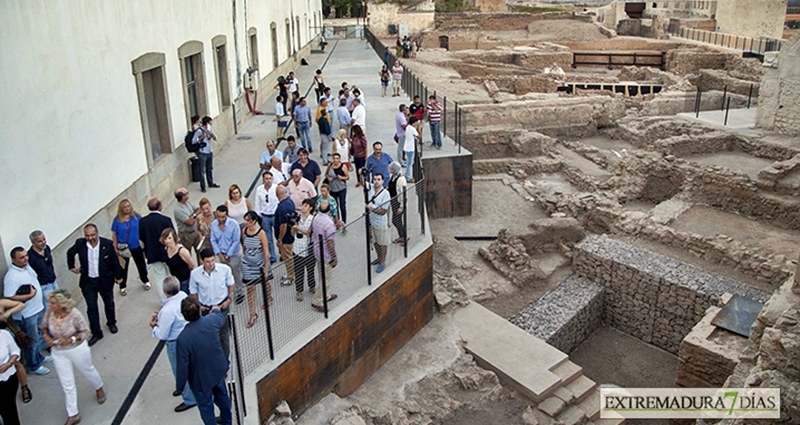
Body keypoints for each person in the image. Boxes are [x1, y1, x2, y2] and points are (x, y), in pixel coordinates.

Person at [42, 289, 105, 425]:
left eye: (53, 303)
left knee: (87, 370)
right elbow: (44, 327)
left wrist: (71, 339)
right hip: (58, 351)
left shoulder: (74, 314)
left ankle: (99, 387)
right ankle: (73, 414)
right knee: (67, 383)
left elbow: (85, 332)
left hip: (77, 349)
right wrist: (46, 337)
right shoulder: (49, 313)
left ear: (61, 304)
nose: (50, 305)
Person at [175, 297, 232, 425]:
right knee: (223, 397)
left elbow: (182, 366)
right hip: (217, 370)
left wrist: (180, 386)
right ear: (200, 309)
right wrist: (216, 310)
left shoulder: (183, 339)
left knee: (206, 407)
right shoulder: (211, 321)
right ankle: (227, 421)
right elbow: (220, 318)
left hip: (200, 380)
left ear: (184, 315)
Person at [66, 224, 123, 346]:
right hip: (88, 282)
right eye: (87, 235)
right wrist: (72, 266)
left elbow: (114, 260)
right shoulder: (80, 243)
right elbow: (70, 253)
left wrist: (119, 276)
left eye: (92, 235)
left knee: (109, 303)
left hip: (104, 280)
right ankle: (96, 332)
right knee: (91, 308)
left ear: (97, 233)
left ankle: (111, 322)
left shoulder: (106, 244)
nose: (90, 238)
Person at [149, 276, 196, 413]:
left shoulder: (167, 311)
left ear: (164, 291)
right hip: (187, 336)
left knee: (180, 370)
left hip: (175, 343)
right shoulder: (182, 296)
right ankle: (185, 389)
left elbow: (163, 334)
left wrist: (154, 326)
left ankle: (189, 398)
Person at [3, 247, 50, 375]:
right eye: (21, 257)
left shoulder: (27, 267)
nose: (25, 259)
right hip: (27, 314)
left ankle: (39, 357)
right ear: (13, 259)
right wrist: (28, 296)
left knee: (38, 335)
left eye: (26, 256)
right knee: (31, 341)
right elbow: (9, 297)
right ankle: (33, 366)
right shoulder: (11, 277)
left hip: (37, 308)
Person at [189, 248, 235, 358]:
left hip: (222, 306)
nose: (211, 264)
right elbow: (193, 291)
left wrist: (229, 299)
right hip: (206, 309)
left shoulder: (224, 269)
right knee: (210, 336)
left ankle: (225, 361)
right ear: (202, 261)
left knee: (223, 336)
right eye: (208, 261)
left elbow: (231, 284)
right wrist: (198, 306)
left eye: (213, 260)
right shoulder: (195, 274)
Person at [139, 197, 175, 300]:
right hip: (167, 252)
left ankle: (164, 300)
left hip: (152, 254)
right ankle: (173, 297)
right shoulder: (166, 220)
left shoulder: (142, 222)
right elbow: (173, 236)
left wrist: (146, 252)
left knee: (159, 278)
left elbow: (141, 241)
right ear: (160, 206)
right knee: (170, 275)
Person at [109, 201, 148, 297]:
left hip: (136, 245)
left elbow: (143, 228)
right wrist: (115, 247)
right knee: (123, 268)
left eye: (128, 206)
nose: (127, 208)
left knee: (141, 264)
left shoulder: (136, 217)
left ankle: (145, 280)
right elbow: (114, 235)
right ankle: (123, 286)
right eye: (124, 207)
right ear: (121, 209)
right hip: (124, 248)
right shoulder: (117, 220)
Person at [241, 211, 271, 327]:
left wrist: (266, 267)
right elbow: (244, 246)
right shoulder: (244, 231)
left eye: (248, 220)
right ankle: (252, 314)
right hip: (248, 263)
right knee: (250, 288)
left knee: (265, 283)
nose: (245, 222)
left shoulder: (261, 233)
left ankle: (268, 297)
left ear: (253, 221)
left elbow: (266, 251)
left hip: (260, 263)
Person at [210, 205, 244, 305]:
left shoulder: (234, 224)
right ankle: (224, 294)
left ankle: (239, 292)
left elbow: (236, 241)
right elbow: (213, 240)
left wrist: (228, 255)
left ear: (227, 215)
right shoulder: (213, 225)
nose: (220, 219)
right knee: (220, 275)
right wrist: (220, 255)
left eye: (223, 217)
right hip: (220, 254)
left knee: (236, 274)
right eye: (219, 217)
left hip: (233, 254)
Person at [0, 299, 31, 406]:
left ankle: (24, 387)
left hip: (6, 335)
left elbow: (21, 305)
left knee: (16, 362)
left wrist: (6, 314)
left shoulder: (1, 303)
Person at [310, 200, 338, 312]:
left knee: (322, 275)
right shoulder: (329, 223)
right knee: (326, 279)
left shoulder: (316, 218)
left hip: (317, 251)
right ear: (330, 210)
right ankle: (317, 300)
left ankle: (326, 296)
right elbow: (330, 243)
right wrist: (334, 256)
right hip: (326, 254)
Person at [366, 174, 392, 273]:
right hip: (372, 222)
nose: (376, 181)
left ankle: (382, 262)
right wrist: (361, 172)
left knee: (382, 243)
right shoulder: (371, 188)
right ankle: (378, 258)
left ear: (382, 181)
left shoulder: (386, 194)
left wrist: (371, 208)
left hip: (380, 223)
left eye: (378, 179)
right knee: (375, 241)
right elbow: (363, 182)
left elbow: (384, 211)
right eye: (375, 179)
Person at [292, 199, 316, 302]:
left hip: (308, 248)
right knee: (298, 271)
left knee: (310, 269)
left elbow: (308, 233)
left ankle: (312, 286)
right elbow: (292, 233)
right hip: (297, 247)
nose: (303, 207)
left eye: (306, 206)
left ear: (310, 208)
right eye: (303, 205)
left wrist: (298, 227)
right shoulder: (297, 218)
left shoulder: (312, 219)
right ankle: (299, 291)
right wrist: (293, 226)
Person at [27, 230, 60, 306]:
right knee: (50, 308)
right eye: (39, 241)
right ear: (33, 243)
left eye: (44, 239)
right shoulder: (30, 257)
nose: (43, 242)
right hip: (44, 286)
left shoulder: (47, 248)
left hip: (53, 282)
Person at [254, 172, 280, 264]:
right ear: (263, 179)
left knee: (278, 235)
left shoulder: (276, 188)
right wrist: (259, 218)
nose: (268, 180)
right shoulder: (259, 189)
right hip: (265, 216)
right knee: (268, 238)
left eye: (270, 178)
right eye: (266, 178)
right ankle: (272, 256)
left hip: (275, 216)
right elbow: (257, 203)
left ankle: (281, 251)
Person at [0, 318, 22, 425]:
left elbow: (15, 351)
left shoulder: (4, 334)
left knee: (10, 412)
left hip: (8, 380)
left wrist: (9, 363)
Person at [274, 185, 297, 287]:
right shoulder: (290, 202)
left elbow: (283, 225)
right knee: (289, 256)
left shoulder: (282, 207)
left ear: (276, 195)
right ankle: (290, 273)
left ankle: (291, 276)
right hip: (290, 234)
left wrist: (280, 239)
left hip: (286, 238)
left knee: (287, 257)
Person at [161, 228, 195, 295]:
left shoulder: (182, 251)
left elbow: (191, 264)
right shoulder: (166, 249)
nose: (167, 241)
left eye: (169, 238)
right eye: (165, 239)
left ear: (174, 238)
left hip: (184, 279)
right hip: (175, 279)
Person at [173, 188, 202, 261]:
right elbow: (190, 223)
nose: (188, 194)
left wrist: (193, 216)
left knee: (200, 252)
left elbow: (199, 210)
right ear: (183, 197)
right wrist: (195, 217)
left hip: (195, 232)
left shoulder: (188, 203)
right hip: (185, 235)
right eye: (187, 193)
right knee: (187, 255)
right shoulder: (178, 210)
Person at [198, 116, 220, 193]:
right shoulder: (199, 130)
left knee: (209, 168)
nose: (211, 123)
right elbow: (195, 141)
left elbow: (216, 138)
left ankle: (210, 183)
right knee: (202, 170)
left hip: (209, 151)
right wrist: (202, 137)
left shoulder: (210, 128)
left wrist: (211, 133)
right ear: (207, 122)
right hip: (202, 152)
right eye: (210, 122)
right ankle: (203, 186)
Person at [388, 162, 409, 246]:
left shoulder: (401, 180)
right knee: (397, 220)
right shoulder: (393, 177)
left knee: (396, 220)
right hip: (393, 201)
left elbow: (403, 193)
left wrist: (402, 205)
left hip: (398, 202)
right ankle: (402, 236)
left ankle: (404, 236)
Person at [326, 153, 349, 224]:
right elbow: (326, 174)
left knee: (342, 206)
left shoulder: (343, 166)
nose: (335, 160)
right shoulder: (330, 165)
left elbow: (347, 177)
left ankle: (344, 222)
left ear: (339, 159)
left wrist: (341, 177)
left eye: (337, 158)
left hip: (341, 188)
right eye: (334, 158)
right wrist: (328, 178)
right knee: (335, 206)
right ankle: (337, 221)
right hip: (332, 189)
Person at [404, 116, 419, 182]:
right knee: (409, 163)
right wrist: (420, 128)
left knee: (409, 162)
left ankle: (407, 175)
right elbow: (419, 136)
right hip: (410, 148)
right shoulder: (412, 129)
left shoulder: (408, 127)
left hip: (407, 146)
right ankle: (407, 177)